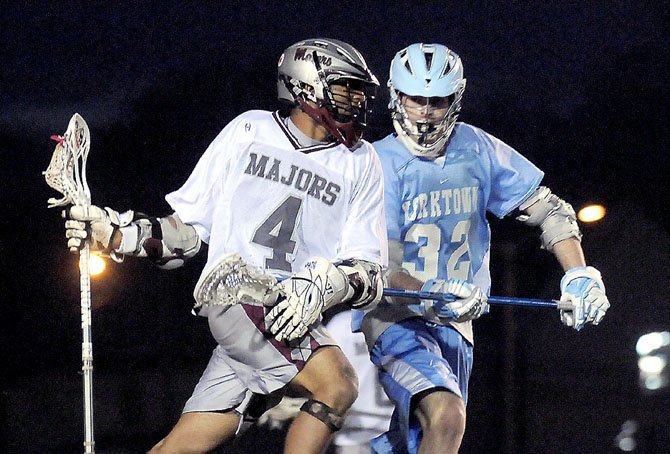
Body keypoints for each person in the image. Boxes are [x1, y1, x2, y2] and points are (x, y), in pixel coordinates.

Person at [64, 38, 387, 454]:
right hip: (237, 295)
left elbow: (368, 271)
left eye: (360, 93)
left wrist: (330, 284)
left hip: (291, 314)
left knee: (180, 446)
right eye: (346, 89)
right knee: (338, 384)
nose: (356, 102)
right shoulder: (249, 130)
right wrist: (117, 235)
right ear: (305, 85)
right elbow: (189, 232)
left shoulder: (361, 161)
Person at [353, 43, 611, 454]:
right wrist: (433, 292)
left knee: (414, 442)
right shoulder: (376, 162)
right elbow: (381, 264)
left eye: (436, 101)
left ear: (456, 98)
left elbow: (552, 213)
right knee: (448, 415)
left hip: (458, 324)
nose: (424, 113)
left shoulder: (478, 148)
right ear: (395, 96)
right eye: (415, 99)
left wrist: (579, 274)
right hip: (398, 318)